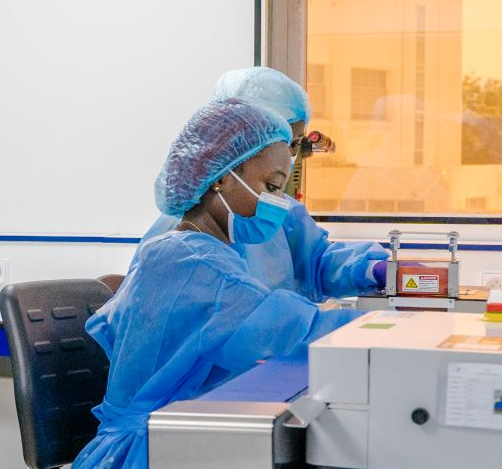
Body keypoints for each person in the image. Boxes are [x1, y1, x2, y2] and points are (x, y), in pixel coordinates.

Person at [65, 99, 360, 469]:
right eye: (272, 185)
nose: (280, 203)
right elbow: (290, 332)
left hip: (171, 457)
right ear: (222, 175)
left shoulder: (212, 252)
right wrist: (394, 333)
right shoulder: (190, 262)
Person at [146, 68, 386, 302]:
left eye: (295, 144)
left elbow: (313, 262)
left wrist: (371, 269)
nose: (289, 156)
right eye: (281, 142)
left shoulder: (276, 210)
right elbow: (258, 323)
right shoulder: (181, 242)